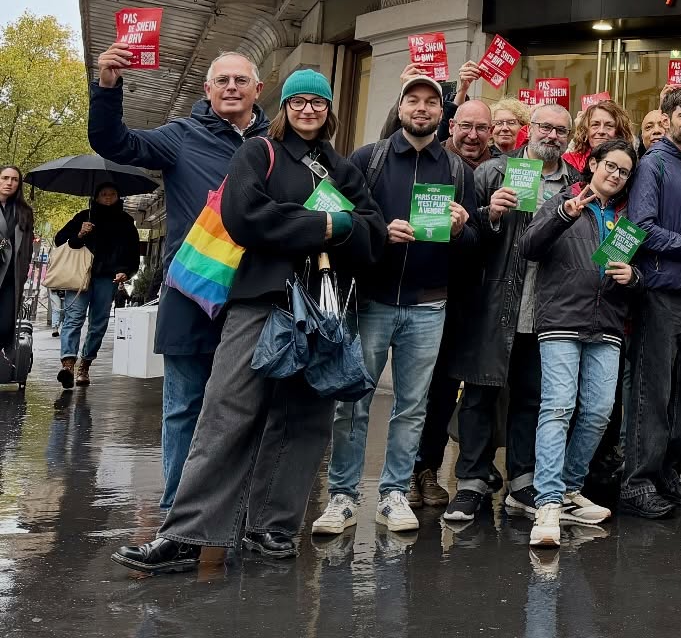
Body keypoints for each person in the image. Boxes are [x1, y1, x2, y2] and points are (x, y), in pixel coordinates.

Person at [113, 69, 384, 573]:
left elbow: (372, 234)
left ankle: (273, 530)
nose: (308, 110)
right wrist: (325, 224)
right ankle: (188, 534)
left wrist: (329, 226)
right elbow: (243, 216)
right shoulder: (259, 153)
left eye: (317, 102)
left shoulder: (341, 168)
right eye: (298, 101)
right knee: (225, 413)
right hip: (259, 301)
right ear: (284, 105)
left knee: (302, 421)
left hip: (320, 312)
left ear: (329, 110)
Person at [89, 46, 269, 512]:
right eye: (222, 81)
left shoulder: (276, 145)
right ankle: (177, 516)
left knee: (246, 413)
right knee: (184, 406)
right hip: (190, 294)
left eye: (240, 81)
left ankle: (233, 515)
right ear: (207, 90)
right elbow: (115, 142)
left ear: (257, 90)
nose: (231, 87)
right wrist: (108, 86)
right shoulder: (180, 137)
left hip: (254, 297)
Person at [311, 75, 479, 537]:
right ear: (400, 107)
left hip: (429, 306)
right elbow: (339, 222)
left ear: (442, 113)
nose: (421, 108)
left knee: (412, 406)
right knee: (354, 401)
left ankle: (394, 493)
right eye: (413, 100)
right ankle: (342, 495)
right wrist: (379, 231)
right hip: (372, 301)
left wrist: (464, 227)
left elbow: (475, 245)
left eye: (430, 102)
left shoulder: (458, 170)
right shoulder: (369, 159)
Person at [444, 104, 578, 524]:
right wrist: (490, 215)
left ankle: (523, 481)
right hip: (495, 304)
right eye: (545, 127)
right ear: (529, 130)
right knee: (480, 394)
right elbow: (462, 238)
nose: (552, 136)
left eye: (561, 130)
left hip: (549, 310)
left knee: (531, 398)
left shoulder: (576, 185)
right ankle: (471, 483)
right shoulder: (492, 173)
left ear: (570, 138)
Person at [519, 138, 641, 545]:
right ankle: (548, 502)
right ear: (592, 164)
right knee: (557, 408)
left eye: (624, 171)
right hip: (561, 322)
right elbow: (529, 248)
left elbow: (636, 275)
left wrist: (634, 278)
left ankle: (569, 489)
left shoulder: (626, 221)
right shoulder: (564, 201)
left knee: (598, 413)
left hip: (606, 327)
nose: (615, 175)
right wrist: (562, 215)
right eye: (610, 165)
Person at [621, 86, 681, 519]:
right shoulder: (653, 164)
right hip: (658, 293)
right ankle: (636, 482)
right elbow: (640, 228)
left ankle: (665, 473)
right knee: (652, 391)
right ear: (665, 117)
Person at [411, 96, 497, 505]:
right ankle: (422, 469)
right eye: (465, 125)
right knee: (435, 388)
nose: (473, 135)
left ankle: (476, 467)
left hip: (487, 297)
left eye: (482, 128)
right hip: (437, 291)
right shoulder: (435, 164)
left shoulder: (507, 171)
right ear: (451, 126)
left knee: (481, 388)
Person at [51, 183, 140, 389]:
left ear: (119, 196)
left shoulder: (126, 222)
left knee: (98, 323)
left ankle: (85, 365)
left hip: (107, 278)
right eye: (103, 194)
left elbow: (133, 252)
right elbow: (60, 241)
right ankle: (68, 365)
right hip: (80, 276)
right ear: (96, 197)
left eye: (112, 194)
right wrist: (80, 233)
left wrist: (125, 271)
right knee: (74, 318)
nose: (108, 198)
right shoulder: (84, 216)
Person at [0, 166, 35, 373]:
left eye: (14, 179)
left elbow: (28, 246)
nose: (9, 183)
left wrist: (24, 272)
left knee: (5, 326)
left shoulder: (24, 211)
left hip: (11, 278)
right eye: (5, 178)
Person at [564, 99, 635, 173]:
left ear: (619, 131)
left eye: (609, 126)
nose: (601, 131)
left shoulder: (629, 164)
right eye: (595, 125)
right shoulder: (569, 162)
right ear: (586, 130)